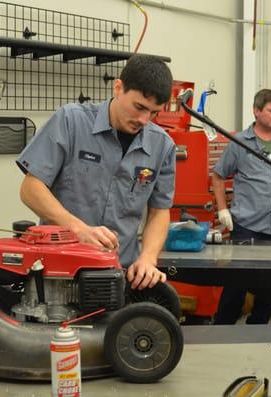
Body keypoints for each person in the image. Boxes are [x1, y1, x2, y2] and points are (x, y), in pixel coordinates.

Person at [16, 55, 175, 290]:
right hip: (60, 275)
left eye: (153, 113)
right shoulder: (71, 121)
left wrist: (148, 258)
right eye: (139, 107)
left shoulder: (162, 145)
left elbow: (159, 211)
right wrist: (78, 229)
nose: (144, 119)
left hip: (121, 275)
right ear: (118, 88)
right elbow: (31, 189)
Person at [211, 88, 271, 324]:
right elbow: (218, 176)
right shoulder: (240, 143)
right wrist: (223, 209)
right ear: (256, 111)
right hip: (246, 225)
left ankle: (259, 330)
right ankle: (221, 328)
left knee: (269, 286)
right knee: (237, 283)